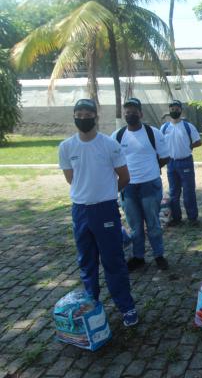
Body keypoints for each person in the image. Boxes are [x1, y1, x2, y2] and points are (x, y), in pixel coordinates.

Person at [59, 99, 138, 327]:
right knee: (86, 261)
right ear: (74, 116)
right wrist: (87, 194)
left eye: (87, 113)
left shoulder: (109, 144)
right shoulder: (66, 147)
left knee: (113, 260)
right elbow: (71, 179)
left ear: (96, 116)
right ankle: (90, 305)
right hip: (80, 210)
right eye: (79, 113)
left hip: (105, 210)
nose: (83, 117)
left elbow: (124, 177)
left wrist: (106, 193)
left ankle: (126, 307)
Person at [112, 98, 171, 271]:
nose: (130, 114)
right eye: (127, 111)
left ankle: (159, 255)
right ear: (124, 114)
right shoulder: (117, 136)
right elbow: (114, 161)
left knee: (153, 224)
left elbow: (165, 156)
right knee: (135, 226)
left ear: (141, 113)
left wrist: (151, 169)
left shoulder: (153, 133)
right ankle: (138, 257)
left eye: (134, 111)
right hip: (128, 187)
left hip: (150, 185)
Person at [160, 100, 202, 227]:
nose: (174, 111)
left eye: (177, 108)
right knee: (173, 192)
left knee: (189, 191)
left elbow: (198, 142)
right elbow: (160, 144)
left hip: (186, 162)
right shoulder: (164, 128)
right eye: (172, 109)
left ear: (181, 110)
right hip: (170, 163)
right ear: (169, 110)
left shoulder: (188, 126)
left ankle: (192, 218)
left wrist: (189, 146)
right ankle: (176, 218)